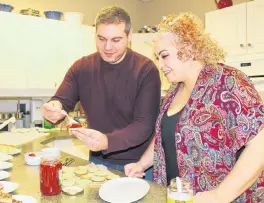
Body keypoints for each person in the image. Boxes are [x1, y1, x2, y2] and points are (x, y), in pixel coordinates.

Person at [124, 12, 264, 203]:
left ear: (188, 49)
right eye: (157, 58)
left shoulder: (227, 81)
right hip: (178, 196)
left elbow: (259, 145)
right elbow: (164, 136)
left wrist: (220, 195)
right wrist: (141, 164)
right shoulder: (174, 90)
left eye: (164, 56)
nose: (160, 65)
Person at [41, 5, 161, 180]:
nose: (107, 47)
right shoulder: (81, 67)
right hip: (98, 162)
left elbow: (143, 126)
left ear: (129, 36)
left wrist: (106, 141)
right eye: (101, 38)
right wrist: (53, 108)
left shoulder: (146, 70)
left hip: (137, 165)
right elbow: (61, 100)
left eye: (116, 40)